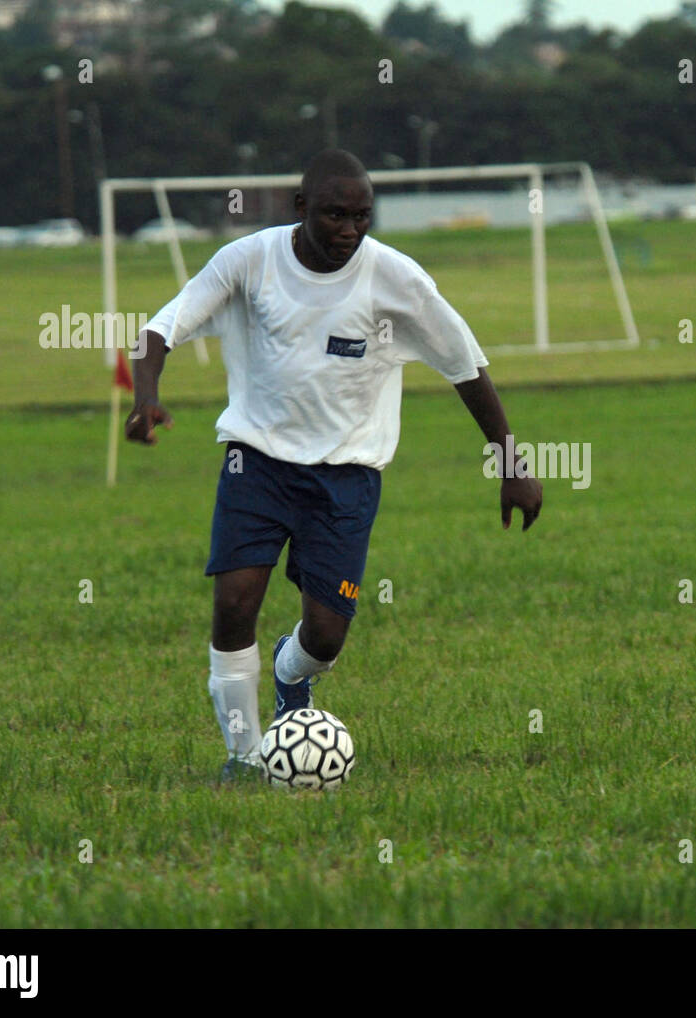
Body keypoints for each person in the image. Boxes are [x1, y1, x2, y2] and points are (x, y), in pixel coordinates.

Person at [126, 149, 543, 780]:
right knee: (235, 602)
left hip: (347, 476)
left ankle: (291, 679)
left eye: (361, 216)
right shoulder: (249, 260)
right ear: (301, 209)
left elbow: (467, 367)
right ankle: (242, 759)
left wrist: (512, 463)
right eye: (334, 215)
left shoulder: (396, 279)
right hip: (256, 461)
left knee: (325, 637)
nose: (349, 229)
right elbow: (160, 328)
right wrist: (146, 396)